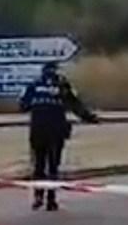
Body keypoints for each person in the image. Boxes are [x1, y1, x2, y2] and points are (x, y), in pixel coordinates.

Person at [19, 62, 99, 210]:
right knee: (53, 167)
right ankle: (51, 200)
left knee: (39, 166)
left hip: (38, 130)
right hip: (56, 131)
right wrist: (90, 118)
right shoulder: (62, 85)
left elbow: (23, 106)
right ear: (56, 72)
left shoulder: (34, 85)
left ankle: (38, 197)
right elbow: (76, 105)